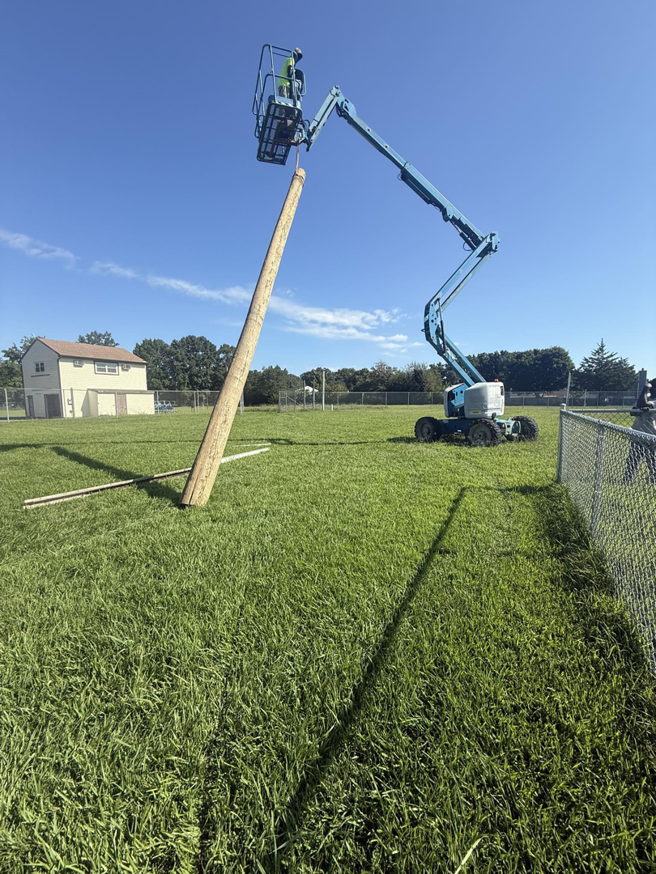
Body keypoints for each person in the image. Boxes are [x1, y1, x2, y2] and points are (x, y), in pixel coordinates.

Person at [623, 379, 656, 484]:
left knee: (651, 459)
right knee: (633, 458)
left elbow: (642, 404)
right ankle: (628, 478)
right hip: (638, 433)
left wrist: (645, 389)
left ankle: (653, 477)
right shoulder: (646, 398)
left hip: (650, 434)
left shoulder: (653, 400)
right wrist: (638, 410)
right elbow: (633, 411)